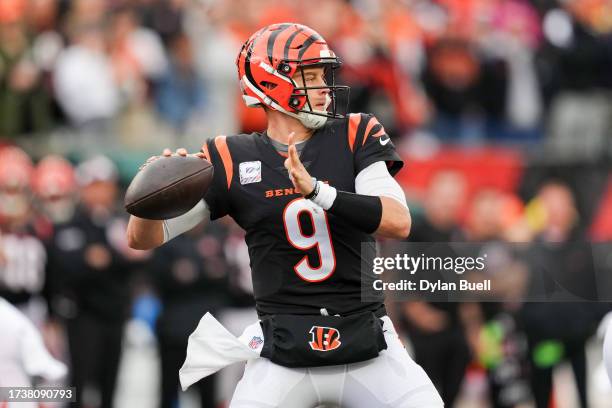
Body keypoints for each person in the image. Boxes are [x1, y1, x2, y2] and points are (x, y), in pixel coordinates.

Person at [127, 23, 443, 407]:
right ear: (273, 84)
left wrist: (318, 192)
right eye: (311, 76)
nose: (325, 88)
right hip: (283, 352)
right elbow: (143, 238)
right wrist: (151, 200)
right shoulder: (231, 156)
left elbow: (398, 221)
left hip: (367, 342)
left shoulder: (357, 132)